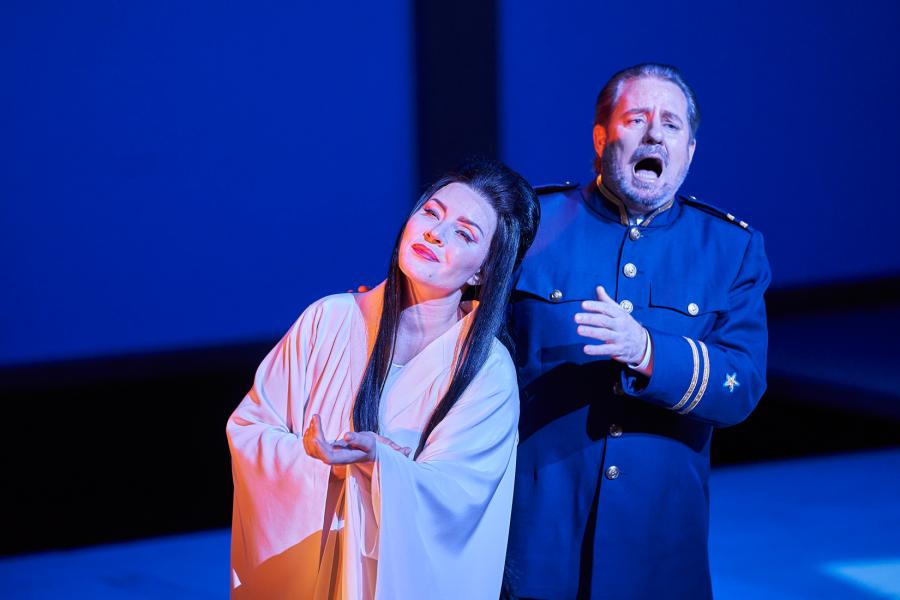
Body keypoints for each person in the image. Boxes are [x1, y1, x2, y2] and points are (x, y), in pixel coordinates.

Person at [504, 64, 771, 599]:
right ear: (602, 136)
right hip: (537, 542)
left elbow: (740, 386)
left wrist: (648, 351)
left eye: (671, 124)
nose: (654, 133)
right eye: (637, 118)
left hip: (659, 553)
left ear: (689, 151)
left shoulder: (730, 249)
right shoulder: (530, 224)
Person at [227, 158, 540, 599]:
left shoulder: (487, 373)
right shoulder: (328, 320)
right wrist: (316, 459)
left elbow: (458, 499)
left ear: (482, 272)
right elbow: (249, 428)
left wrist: (381, 466)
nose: (435, 233)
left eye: (464, 233)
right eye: (432, 212)